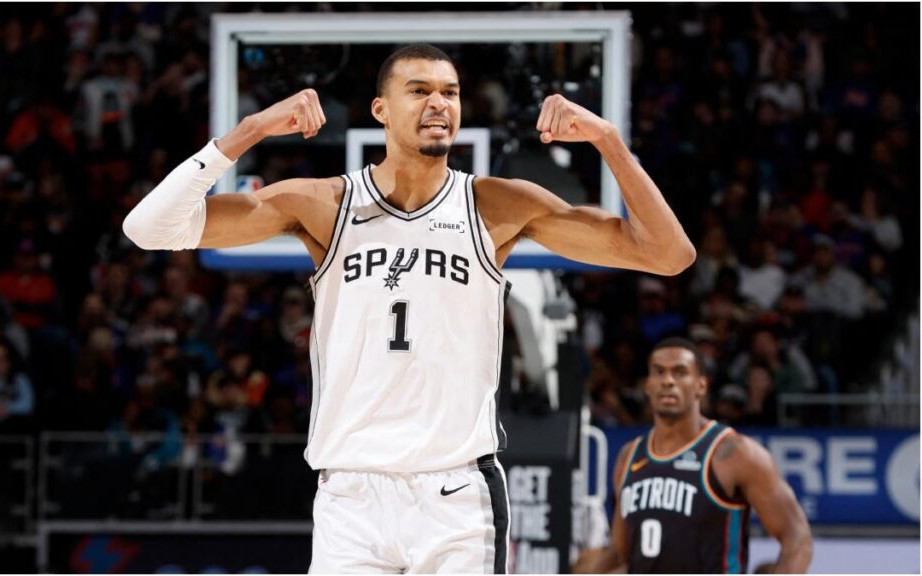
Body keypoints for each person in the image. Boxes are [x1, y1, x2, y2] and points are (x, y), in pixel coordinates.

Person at [123, 44, 695, 573]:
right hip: (350, 496)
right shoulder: (324, 204)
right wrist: (250, 132)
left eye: (450, 92)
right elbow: (149, 229)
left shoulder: (496, 205)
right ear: (380, 109)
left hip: (456, 498)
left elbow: (668, 255)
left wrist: (609, 142)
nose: (439, 103)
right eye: (419, 90)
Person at [574, 338, 812, 574]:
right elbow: (619, 553)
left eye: (679, 373)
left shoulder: (734, 453)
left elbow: (797, 538)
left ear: (701, 385)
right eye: (659, 372)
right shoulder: (629, 456)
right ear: (648, 385)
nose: (667, 381)